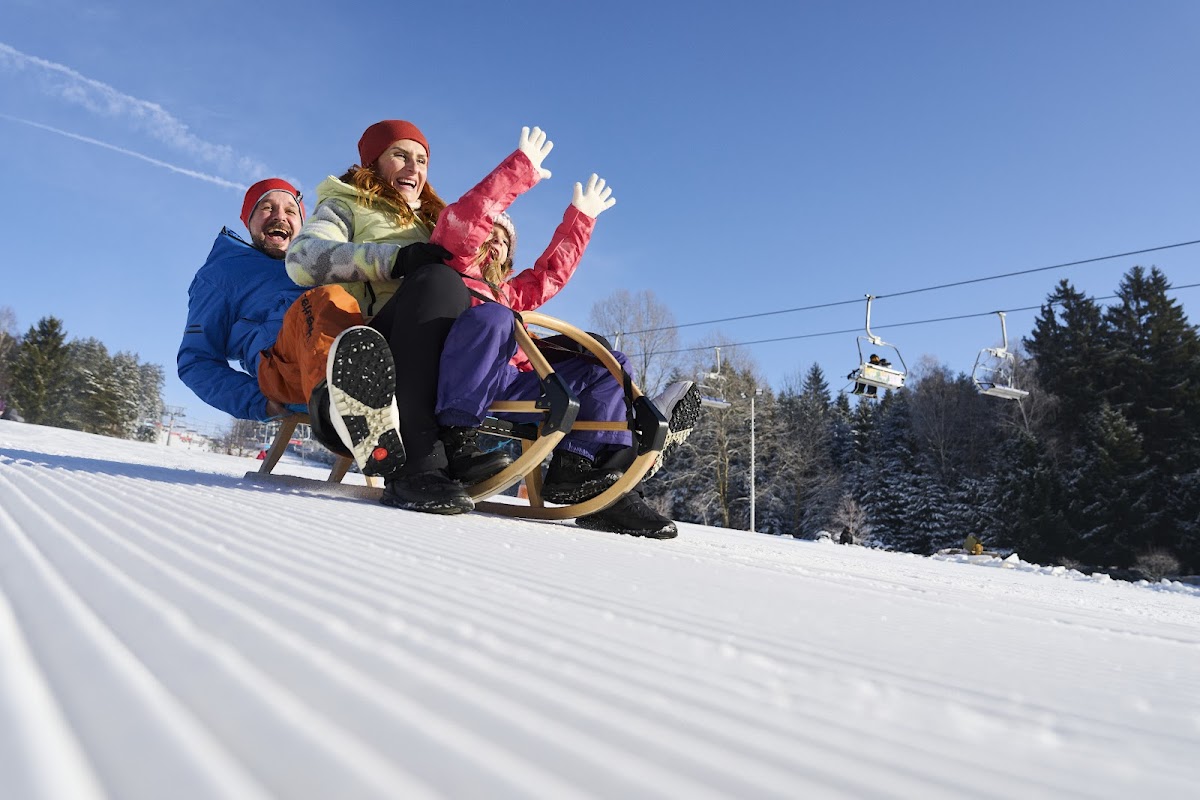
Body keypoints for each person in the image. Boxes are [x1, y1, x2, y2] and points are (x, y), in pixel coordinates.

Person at [428, 161, 680, 538]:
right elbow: (467, 217)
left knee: (608, 363)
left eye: (504, 240)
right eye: (489, 234)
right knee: (496, 318)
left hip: (513, 380)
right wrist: (517, 173)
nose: (495, 242)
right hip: (465, 375)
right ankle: (458, 442)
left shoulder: (512, 293)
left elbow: (550, 274)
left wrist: (582, 219)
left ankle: (583, 469)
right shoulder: (455, 269)